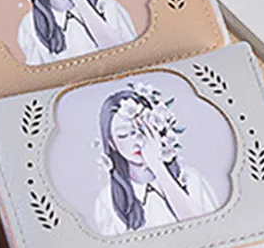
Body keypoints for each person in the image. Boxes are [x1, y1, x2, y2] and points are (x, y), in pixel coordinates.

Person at [92, 87, 219, 235]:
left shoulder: (191, 179)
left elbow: (209, 231)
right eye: (124, 134)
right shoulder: (106, 201)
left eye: (143, 129)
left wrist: (157, 165)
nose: (137, 139)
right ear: (111, 143)